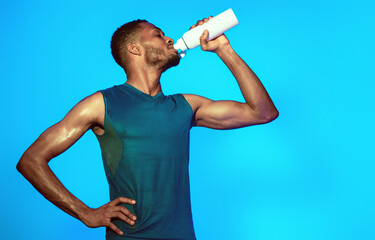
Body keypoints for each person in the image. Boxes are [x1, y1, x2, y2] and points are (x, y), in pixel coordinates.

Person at [17, 16, 278, 240]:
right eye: (158, 35)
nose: (168, 39)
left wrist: (224, 49)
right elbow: (31, 160)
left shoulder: (187, 106)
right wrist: (86, 213)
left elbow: (263, 112)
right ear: (134, 49)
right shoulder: (100, 105)